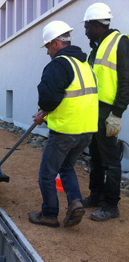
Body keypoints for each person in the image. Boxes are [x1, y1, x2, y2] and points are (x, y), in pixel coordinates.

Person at [28, 21, 98, 228]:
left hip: (66, 130)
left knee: (47, 174)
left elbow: (49, 99)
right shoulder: (84, 65)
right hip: (86, 130)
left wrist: (44, 113)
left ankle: (49, 214)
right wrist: (47, 113)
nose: (47, 52)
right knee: (67, 167)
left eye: (48, 47)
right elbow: (71, 98)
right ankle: (75, 203)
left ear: (56, 43)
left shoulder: (58, 65)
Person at [81, 3, 129, 221]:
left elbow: (126, 81)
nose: (85, 31)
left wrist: (117, 113)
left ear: (96, 24)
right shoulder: (96, 47)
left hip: (108, 111)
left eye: (87, 26)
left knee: (110, 160)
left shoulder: (120, 42)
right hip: (94, 111)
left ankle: (111, 205)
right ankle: (96, 196)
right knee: (96, 157)